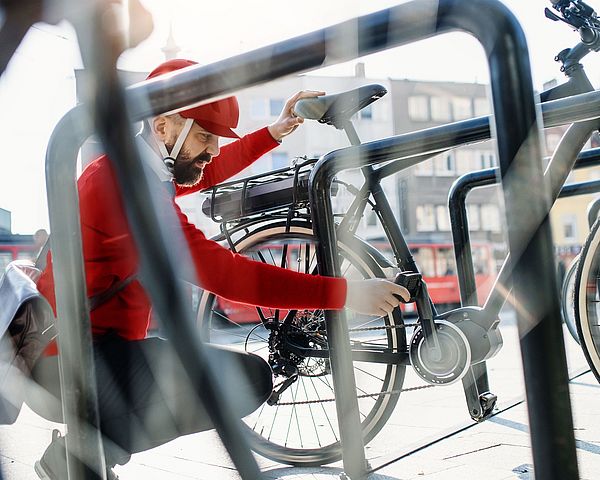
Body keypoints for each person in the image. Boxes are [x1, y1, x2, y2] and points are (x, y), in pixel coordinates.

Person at [29, 59, 410, 479]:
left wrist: (272, 133)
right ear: (163, 128)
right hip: (71, 364)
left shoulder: (135, 169)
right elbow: (227, 276)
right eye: (206, 135)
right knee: (246, 381)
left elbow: (209, 169)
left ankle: (81, 459)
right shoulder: (126, 189)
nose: (212, 149)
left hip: (84, 351)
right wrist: (345, 294)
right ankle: (77, 461)